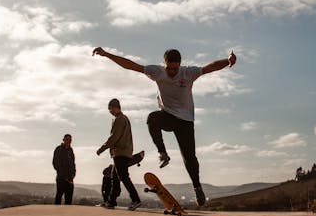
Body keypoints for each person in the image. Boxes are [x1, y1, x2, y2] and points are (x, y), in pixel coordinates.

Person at [93, 47, 237, 205]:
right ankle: (163, 153)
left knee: (189, 157)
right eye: (169, 68)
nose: (172, 72)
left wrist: (227, 60)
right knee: (152, 118)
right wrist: (107, 54)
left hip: (185, 121)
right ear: (164, 64)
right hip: (167, 116)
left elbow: (210, 67)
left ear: (180, 65)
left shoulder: (188, 73)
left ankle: (197, 187)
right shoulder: (158, 72)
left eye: (175, 69)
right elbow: (131, 66)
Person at [96, 98, 142, 210]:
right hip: (124, 151)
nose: (110, 111)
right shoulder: (124, 119)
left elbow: (114, 137)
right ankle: (111, 201)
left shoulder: (119, 119)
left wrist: (102, 149)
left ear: (116, 107)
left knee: (123, 177)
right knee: (115, 177)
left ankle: (136, 199)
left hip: (121, 152)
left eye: (111, 109)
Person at [53, 134, 76, 205]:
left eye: (70, 140)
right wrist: (61, 173)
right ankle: (56, 214)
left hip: (70, 179)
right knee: (59, 196)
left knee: (69, 199)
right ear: (63, 140)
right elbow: (55, 163)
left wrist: (73, 173)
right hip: (61, 178)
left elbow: (73, 163)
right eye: (67, 139)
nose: (68, 141)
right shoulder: (58, 149)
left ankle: (67, 215)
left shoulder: (71, 150)